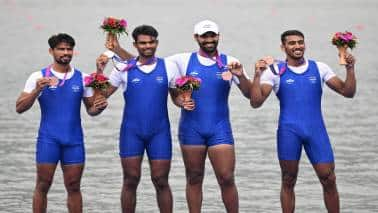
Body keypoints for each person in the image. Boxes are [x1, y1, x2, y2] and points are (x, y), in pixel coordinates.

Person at [106, 20, 251, 213]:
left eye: (212, 35)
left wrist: (241, 75)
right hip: (191, 130)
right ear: (196, 38)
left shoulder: (231, 61)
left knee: (226, 177)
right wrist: (118, 50)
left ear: (218, 36)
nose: (208, 39)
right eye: (204, 36)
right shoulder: (180, 61)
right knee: (193, 177)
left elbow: (251, 95)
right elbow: (147, 63)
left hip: (220, 129)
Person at [250, 30, 356, 213]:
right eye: (292, 43)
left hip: (316, 131)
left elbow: (348, 92)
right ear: (283, 47)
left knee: (328, 178)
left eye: (300, 42)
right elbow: (256, 103)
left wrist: (350, 68)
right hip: (289, 132)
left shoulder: (320, 68)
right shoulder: (274, 71)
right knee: (288, 179)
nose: (297, 46)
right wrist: (258, 75)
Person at [16, 33, 108, 213]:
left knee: (74, 186)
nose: (65, 52)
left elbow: (91, 110)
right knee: (43, 184)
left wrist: (100, 107)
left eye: (69, 49)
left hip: (74, 141)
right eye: (61, 49)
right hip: (48, 140)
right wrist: (36, 90)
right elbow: (19, 107)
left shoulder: (83, 78)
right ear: (51, 51)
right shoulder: (38, 76)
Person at [96, 25, 182, 213]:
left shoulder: (169, 66)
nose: (147, 46)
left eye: (151, 42)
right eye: (143, 43)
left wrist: (184, 102)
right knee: (130, 179)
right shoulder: (123, 68)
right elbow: (103, 94)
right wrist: (99, 71)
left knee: (161, 180)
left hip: (159, 133)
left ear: (157, 43)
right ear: (135, 45)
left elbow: (176, 96)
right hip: (131, 133)